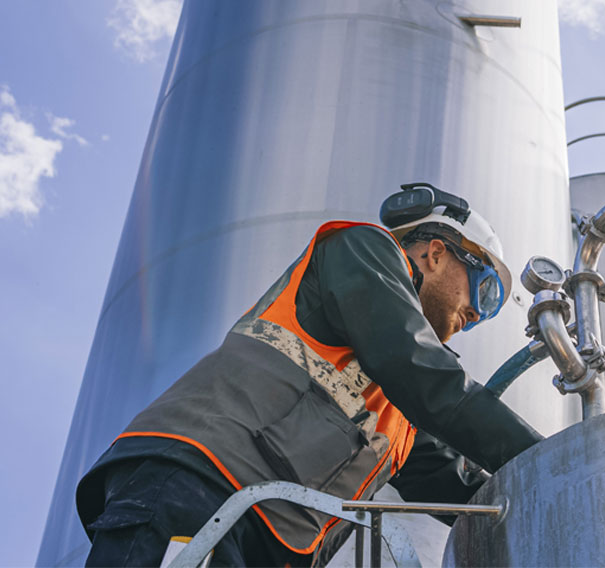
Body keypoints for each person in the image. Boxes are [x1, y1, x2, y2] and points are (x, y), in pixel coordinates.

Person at [75, 183, 543, 567]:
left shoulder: (398, 410)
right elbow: (424, 375)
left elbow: (462, 486)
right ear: (437, 253)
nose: (476, 317)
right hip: (197, 483)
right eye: (484, 292)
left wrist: (559, 486)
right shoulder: (364, 252)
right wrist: (547, 457)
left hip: (263, 537)